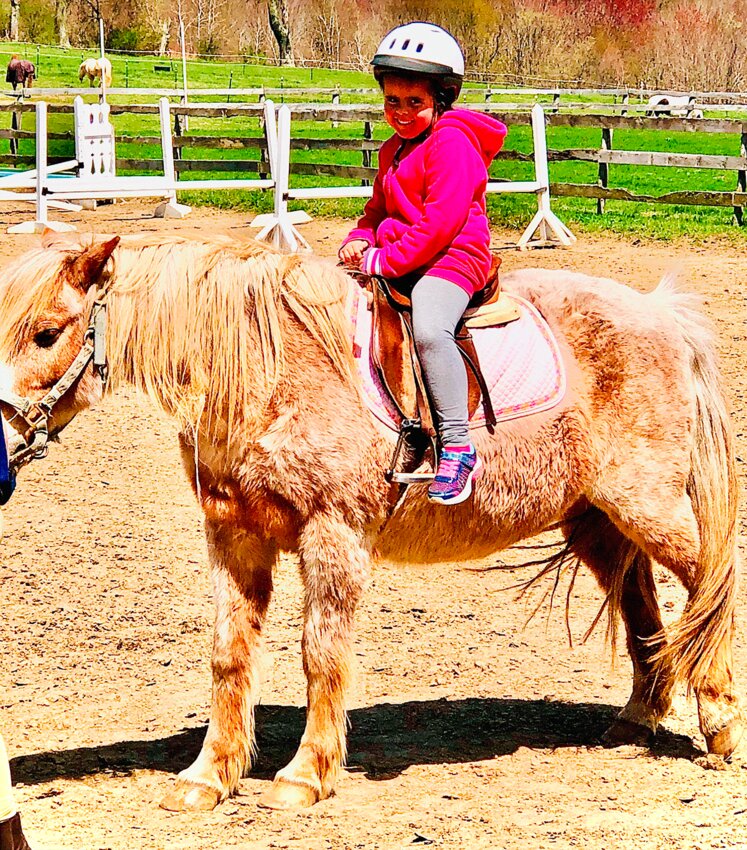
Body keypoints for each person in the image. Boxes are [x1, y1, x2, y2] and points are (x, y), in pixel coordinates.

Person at [339, 21, 507, 506]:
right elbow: (376, 213)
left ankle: (456, 445)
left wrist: (383, 259)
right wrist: (358, 238)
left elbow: (440, 223)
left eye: (415, 102)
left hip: (454, 256)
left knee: (432, 329)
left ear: (442, 98)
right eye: (393, 101)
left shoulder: (453, 144)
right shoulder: (393, 150)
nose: (402, 112)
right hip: (407, 255)